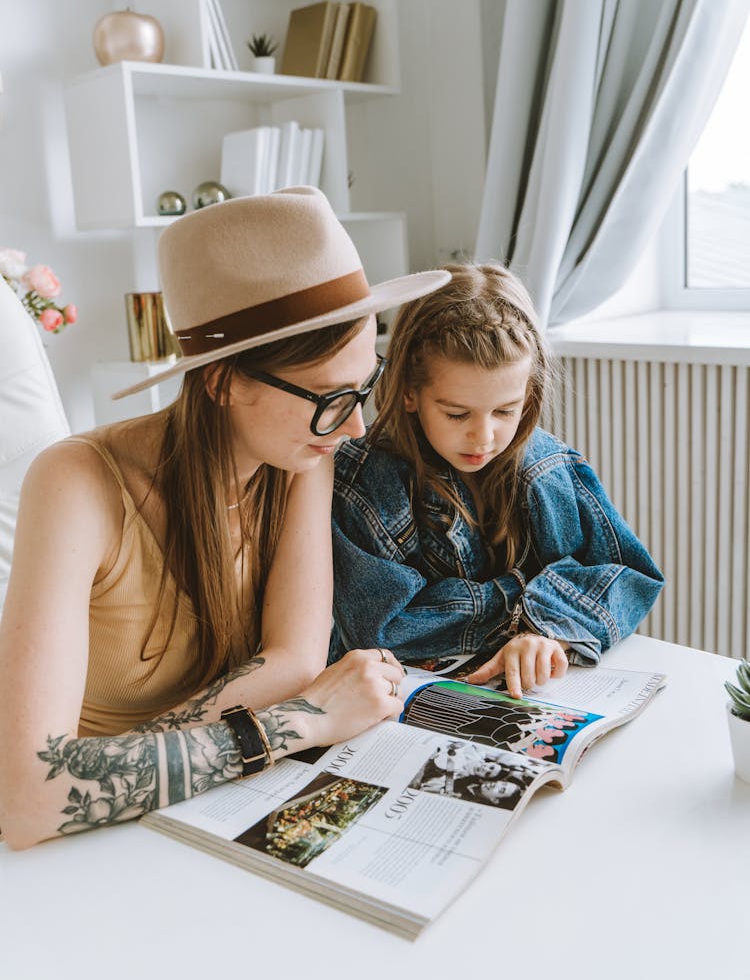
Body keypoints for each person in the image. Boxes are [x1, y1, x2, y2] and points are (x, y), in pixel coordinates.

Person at [0, 186, 450, 850]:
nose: (354, 425)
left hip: (192, 811)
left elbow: (295, 660)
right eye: (329, 398)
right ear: (222, 381)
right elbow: (30, 799)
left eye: (363, 388)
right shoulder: (75, 485)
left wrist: (131, 760)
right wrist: (296, 722)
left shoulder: (304, 456)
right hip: (82, 851)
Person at [330, 262, 664, 698]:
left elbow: (630, 574)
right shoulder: (364, 484)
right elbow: (383, 627)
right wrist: (528, 602)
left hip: (543, 695)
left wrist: (547, 635)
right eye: (457, 413)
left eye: (506, 411)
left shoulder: (549, 465)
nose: (484, 437)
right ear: (409, 392)